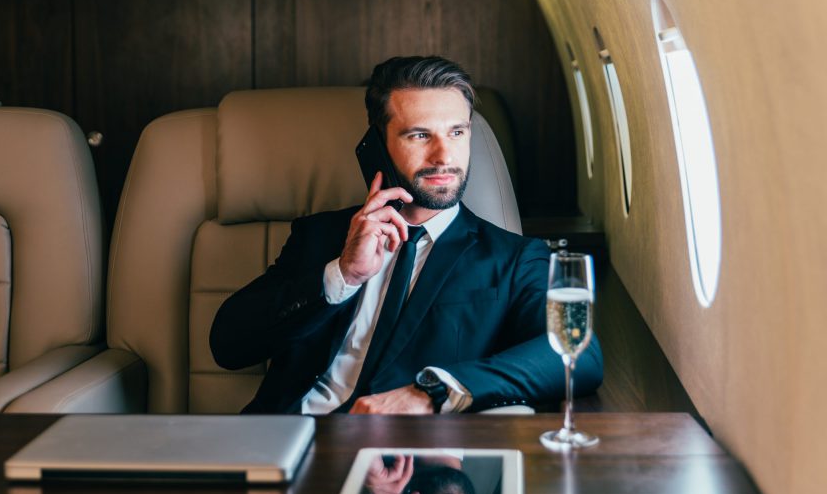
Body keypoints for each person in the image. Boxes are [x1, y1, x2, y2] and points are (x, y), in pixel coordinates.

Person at [209, 55, 602, 414]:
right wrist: (342, 275)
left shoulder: (516, 259)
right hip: (283, 449)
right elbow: (227, 345)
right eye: (419, 135)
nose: (444, 156)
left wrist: (433, 392)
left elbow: (580, 357)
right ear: (378, 146)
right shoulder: (320, 235)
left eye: (457, 133)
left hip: (402, 466)